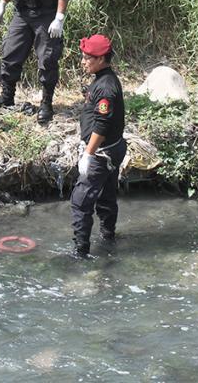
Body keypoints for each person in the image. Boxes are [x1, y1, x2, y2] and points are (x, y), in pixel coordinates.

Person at [70, 34, 126, 257]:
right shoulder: (104, 79)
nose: (83, 62)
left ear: (101, 58)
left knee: (80, 202)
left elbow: (102, 125)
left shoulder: (105, 88)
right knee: (106, 195)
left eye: (87, 58)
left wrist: (88, 154)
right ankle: (108, 238)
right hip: (113, 149)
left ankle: (80, 252)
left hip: (102, 154)